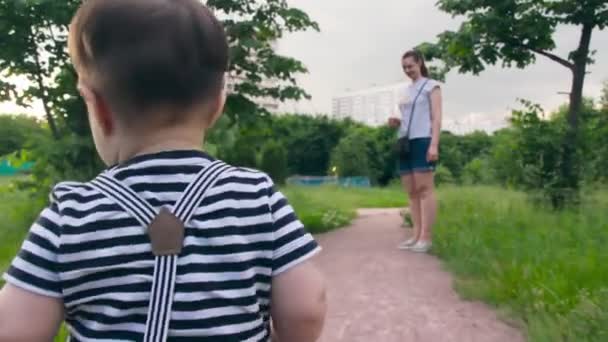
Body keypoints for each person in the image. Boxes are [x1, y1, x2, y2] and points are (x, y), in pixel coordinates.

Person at [0, 0, 326, 341]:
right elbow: (306, 308)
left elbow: (14, 331)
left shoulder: (71, 216)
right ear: (217, 105)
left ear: (96, 107)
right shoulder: (258, 198)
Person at [388, 50, 443, 253]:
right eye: (404, 67)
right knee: (411, 191)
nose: (407, 70)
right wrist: (395, 123)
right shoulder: (406, 91)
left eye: (410, 66)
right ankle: (416, 235)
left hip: (423, 140)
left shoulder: (432, 86)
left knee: (425, 190)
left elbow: (436, 118)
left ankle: (427, 238)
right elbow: (406, 118)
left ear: (420, 62)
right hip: (404, 142)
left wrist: (434, 144)